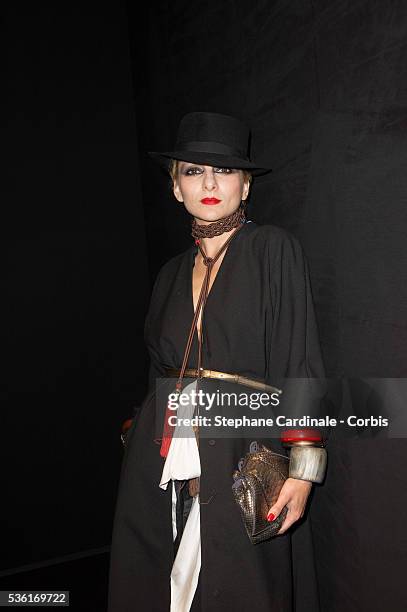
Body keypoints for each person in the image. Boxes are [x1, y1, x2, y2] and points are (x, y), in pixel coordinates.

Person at [107, 111, 326, 612]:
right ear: (175, 187)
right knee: (159, 586)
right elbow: (157, 375)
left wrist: (303, 468)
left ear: (245, 187)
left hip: (241, 456)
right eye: (192, 171)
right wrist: (142, 436)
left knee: (238, 589)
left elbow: (300, 362)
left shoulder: (273, 250)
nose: (209, 183)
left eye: (225, 172)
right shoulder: (168, 274)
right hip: (161, 461)